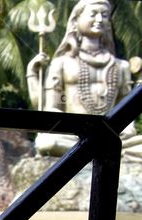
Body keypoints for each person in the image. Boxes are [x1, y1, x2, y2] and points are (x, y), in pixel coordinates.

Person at [27, 0, 142, 158]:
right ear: (76, 21)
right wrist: (31, 74)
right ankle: (103, 149)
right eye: (93, 14)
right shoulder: (61, 63)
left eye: (105, 15)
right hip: (74, 136)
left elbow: (125, 110)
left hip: (113, 136)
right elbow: (51, 108)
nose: (100, 19)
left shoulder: (121, 66)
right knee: (47, 142)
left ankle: (100, 148)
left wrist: (127, 129)